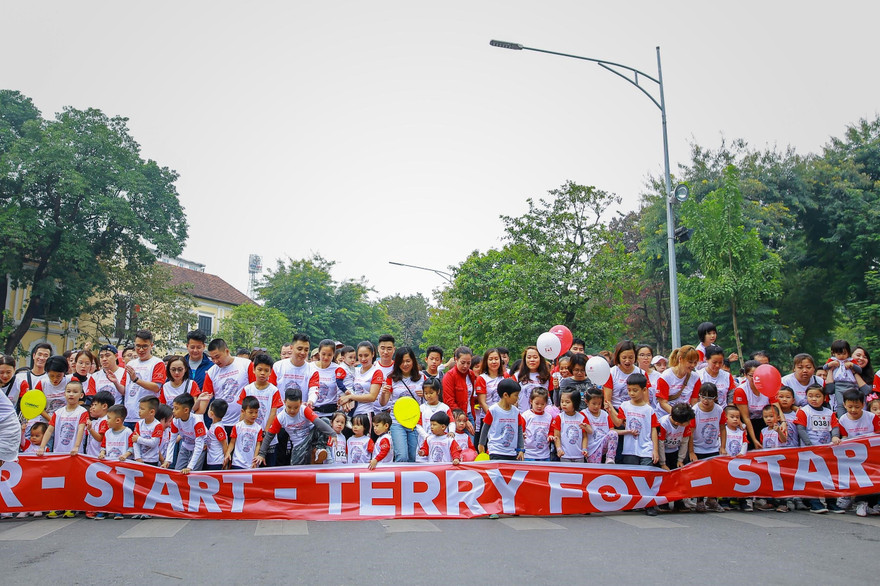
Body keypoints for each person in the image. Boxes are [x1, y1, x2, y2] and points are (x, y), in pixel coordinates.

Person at [606, 372, 660, 516]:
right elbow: (618, 423)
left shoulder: (649, 410)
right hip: (630, 448)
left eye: (635, 390)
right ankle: (633, 502)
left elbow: (654, 430)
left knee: (647, 475)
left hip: (646, 447)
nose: (632, 393)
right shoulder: (624, 406)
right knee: (631, 476)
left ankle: (649, 503)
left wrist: (655, 450)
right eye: (629, 390)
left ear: (644, 390)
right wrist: (610, 409)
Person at [793, 383, 842, 513]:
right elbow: (801, 429)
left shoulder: (829, 412)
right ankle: (815, 503)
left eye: (817, 396)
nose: (814, 399)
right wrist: (809, 444)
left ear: (824, 397)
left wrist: (835, 437)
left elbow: (835, 426)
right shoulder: (804, 411)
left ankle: (832, 502)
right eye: (810, 396)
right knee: (812, 478)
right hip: (809, 452)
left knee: (829, 477)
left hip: (826, 451)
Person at [256, 388, 334, 467]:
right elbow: (269, 435)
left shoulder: (304, 410)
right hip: (299, 444)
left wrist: (333, 434)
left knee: (325, 421)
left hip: (312, 436)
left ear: (300, 403)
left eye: (296, 407)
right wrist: (261, 454)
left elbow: (318, 422)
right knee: (295, 468)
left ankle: (319, 449)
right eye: (289, 407)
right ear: (284, 402)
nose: (292, 411)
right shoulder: (280, 417)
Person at [379, 346, 426, 462]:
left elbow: (430, 400)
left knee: (413, 456)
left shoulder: (421, 377)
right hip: (396, 422)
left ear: (413, 361)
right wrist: (383, 393)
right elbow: (383, 403)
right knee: (402, 456)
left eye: (408, 361)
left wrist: (424, 395)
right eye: (402, 361)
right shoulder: (391, 378)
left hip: (415, 422)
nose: (405, 364)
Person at [838, 389, 880, 516]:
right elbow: (844, 437)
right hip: (852, 456)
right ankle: (854, 499)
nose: (853, 410)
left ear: (863, 404)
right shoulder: (843, 420)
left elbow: (878, 434)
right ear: (844, 405)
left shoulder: (872, 417)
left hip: (871, 455)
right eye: (850, 407)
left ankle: (867, 503)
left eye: (857, 407)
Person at [237, 353, 281, 464]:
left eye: (266, 370)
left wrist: (265, 432)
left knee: (268, 469)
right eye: (259, 369)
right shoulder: (247, 389)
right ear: (253, 370)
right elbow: (242, 412)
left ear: (270, 372)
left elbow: (273, 413)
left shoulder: (274, 390)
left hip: (268, 437)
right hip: (250, 435)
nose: (262, 373)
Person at [201, 338, 256, 426]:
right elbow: (205, 398)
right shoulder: (211, 372)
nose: (215, 361)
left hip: (243, 422)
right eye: (212, 358)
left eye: (217, 357)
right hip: (221, 422)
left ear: (227, 351)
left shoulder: (246, 365)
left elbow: (255, 389)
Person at [732, 360, 784, 449]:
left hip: (766, 421)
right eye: (751, 376)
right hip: (750, 423)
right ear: (745, 375)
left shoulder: (768, 385)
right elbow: (746, 418)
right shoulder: (741, 390)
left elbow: (776, 407)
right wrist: (754, 439)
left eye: (757, 376)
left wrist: (783, 422)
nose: (754, 379)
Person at [123, 329, 166, 429]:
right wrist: (115, 382)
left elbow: (156, 387)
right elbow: (125, 390)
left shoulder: (157, 363)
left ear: (151, 345)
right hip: (129, 415)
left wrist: (136, 380)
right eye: (138, 346)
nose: (141, 350)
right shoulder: (131, 364)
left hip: (147, 418)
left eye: (144, 346)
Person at [37, 380, 88, 459]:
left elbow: (80, 429)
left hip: (75, 453)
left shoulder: (82, 412)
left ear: (81, 395)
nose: (71, 394)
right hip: (58, 453)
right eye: (68, 391)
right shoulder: (58, 412)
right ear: (64, 394)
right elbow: (49, 430)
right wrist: (42, 447)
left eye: (75, 392)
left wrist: (76, 447)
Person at [478, 378, 524, 461]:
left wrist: (521, 448)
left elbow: (519, 430)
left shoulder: (516, 412)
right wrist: (481, 444)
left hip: (512, 452)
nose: (517, 398)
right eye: (516, 395)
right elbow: (485, 428)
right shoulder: (493, 410)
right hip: (496, 451)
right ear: (506, 395)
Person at [161, 393, 207, 474]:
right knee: (177, 472)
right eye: (173, 408)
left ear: (186, 410)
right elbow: (172, 441)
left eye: (176, 408)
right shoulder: (175, 421)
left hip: (200, 448)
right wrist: (167, 460)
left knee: (192, 474)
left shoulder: (197, 422)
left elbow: (199, 446)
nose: (173, 411)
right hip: (185, 446)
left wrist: (190, 467)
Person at [338, 341, 382, 418]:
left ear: (373, 354)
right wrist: (345, 402)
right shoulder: (354, 371)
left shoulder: (376, 372)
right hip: (350, 412)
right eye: (360, 356)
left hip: (365, 413)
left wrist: (350, 397)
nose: (363, 359)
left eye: (366, 355)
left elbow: (372, 397)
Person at [656, 345, 701, 415]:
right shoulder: (666, 376)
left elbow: (694, 401)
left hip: (684, 416)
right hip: (665, 415)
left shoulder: (696, 377)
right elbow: (663, 403)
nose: (693, 365)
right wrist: (677, 415)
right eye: (690, 362)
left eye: (695, 362)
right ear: (680, 359)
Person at [825, 339, 862, 417]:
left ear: (848, 352)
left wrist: (852, 365)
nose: (841, 356)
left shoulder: (851, 361)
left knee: (851, 403)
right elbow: (825, 367)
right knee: (840, 403)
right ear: (833, 353)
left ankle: (851, 417)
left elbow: (859, 370)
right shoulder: (832, 360)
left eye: (844, 353)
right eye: (838, 354)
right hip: (838, 385)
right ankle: (841, 419)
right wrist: (830, 364)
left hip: (850, 385)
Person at [552, 389, 591, 462]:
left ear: (575, 403)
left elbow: (585, 436)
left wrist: (584, 449)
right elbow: (557, 436)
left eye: (567, 402)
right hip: (565, 455)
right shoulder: (559, 417)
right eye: (562, 401)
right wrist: (559, 449)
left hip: (579, 455)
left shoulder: (582, 417)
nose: (563, 404)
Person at [310, 339, 347, 416]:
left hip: (330, 413)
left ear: (334, 354)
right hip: (311, 412)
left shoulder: (338, 369)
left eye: (329, 355)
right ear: (319, 352)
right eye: (323, 354)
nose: (326, 357)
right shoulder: (310, 367)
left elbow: (343, 389)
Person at [475, 348, 507, 434]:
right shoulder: (481, 378)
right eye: (491, 359)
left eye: (496, 359)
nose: (494, 362)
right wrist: (493, 417)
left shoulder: (505, 376)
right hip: (488, 418)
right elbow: (482, 402)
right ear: (486, 361)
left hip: (505, 418)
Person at [226, 396, 263, 469]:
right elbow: (232, 442)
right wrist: (228, 453)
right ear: (243, 411)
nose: (254, 415)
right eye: (251, 412)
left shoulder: (258, 428)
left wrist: (254, 460)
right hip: (237, 462)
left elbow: (258, 445)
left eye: (256, 412)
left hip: (251, 464)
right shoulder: (237, 426)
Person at [442, 346, 477, 422]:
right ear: (456, 359)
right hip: (456, 417)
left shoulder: (471, 374)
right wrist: (463, 419)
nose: (465, 366)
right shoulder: (449, 376)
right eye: (463, 362)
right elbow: (449, 401)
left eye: (468, 363)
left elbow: (471, 398)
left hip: (470, 414)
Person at [583, 388, 618, 464]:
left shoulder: (605, 414)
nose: (596, 406)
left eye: (599, 404)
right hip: (592, 446)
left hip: (603, 442)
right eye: (594, 404)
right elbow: (588, 432)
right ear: (586, 402)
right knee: (594, 469)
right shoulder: (583, 414)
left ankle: (610, 458)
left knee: (613, 433)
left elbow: (612, 431)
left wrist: (628, 431)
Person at [514, 346, 554, 413]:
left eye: (535, 357)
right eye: (529, 357)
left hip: (543, 417)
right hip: (523, 416)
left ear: (540, 359)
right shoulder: (517, 376)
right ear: (525, 359)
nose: (532, 360)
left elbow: (553, 398)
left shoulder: (547, 376)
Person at [696, 345, 737, 409]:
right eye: (714, 362)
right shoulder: (698, 376)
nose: (717, 365)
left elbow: (730, 399)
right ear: (706, 359)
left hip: (723, 412)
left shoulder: (727, 376)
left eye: (720, 362)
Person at [0, 356, 23, 467]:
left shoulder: (20, 383)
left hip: (8, 431)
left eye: (8, 372)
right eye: (1, 372)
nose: (5, 376)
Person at [521, 388, 552, 461]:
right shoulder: (526, 415)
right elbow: (520, 431)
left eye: (542, 404)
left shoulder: (549, 417)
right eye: (537, 403)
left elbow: (551, 430)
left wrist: (551, 436)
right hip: (528, 454)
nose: (539, 406)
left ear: (546, 404)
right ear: (531, 401)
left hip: (544, 454)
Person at [132, 397, 163, 466]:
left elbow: (154, 443)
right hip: (140, 459)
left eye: (142, 409)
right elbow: (135, 441)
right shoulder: (139, 424)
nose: (139, 411)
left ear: (152, 412)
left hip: (152, 459)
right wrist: (137, 457)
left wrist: (139, 439)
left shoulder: (157, 425)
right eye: (139, 408)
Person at [85, 391, 114, 461]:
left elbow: (100, 438)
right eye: (91, 405)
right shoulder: (96, 421)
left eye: (94, 405)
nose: (91, 408)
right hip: (91, 455)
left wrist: (90, 429)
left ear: (104, 406)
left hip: (99, 457)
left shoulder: (105, 421)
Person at [204, 399, 229, 471]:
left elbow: (224, 444)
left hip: (217, 461)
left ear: (211, 413)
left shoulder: (218, 428)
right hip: (211, 460)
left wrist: (226, 459)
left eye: (209, 408)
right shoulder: (214, 426)